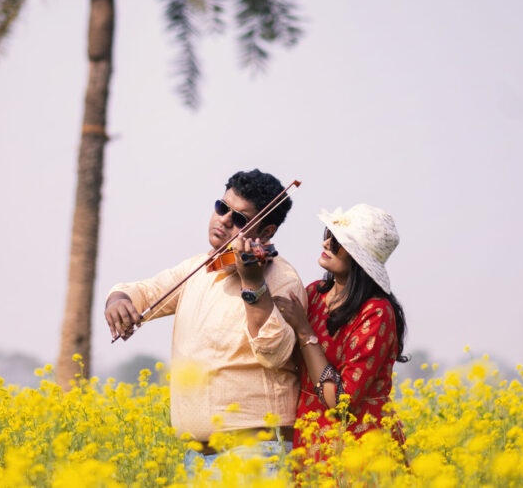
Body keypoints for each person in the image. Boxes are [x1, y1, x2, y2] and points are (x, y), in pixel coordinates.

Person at [104, 169, 308, 474]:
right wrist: (118, 300)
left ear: (266, 232)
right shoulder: (200, 268)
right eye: (221, 207)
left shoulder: (281, 278)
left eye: (239, 219)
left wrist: (253, 283)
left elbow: (274, 352)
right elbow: (145, 291)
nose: (223, 220)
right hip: (198, 458)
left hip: (256, 454)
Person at [272, 203, 408, 465]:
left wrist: (305, 331)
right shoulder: (314, 293)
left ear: (359, 257)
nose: (326, 244)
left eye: (337, 242)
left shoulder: (376, 312)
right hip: (310, 437)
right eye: (328, 235)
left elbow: (341, 403)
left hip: (360, 447)